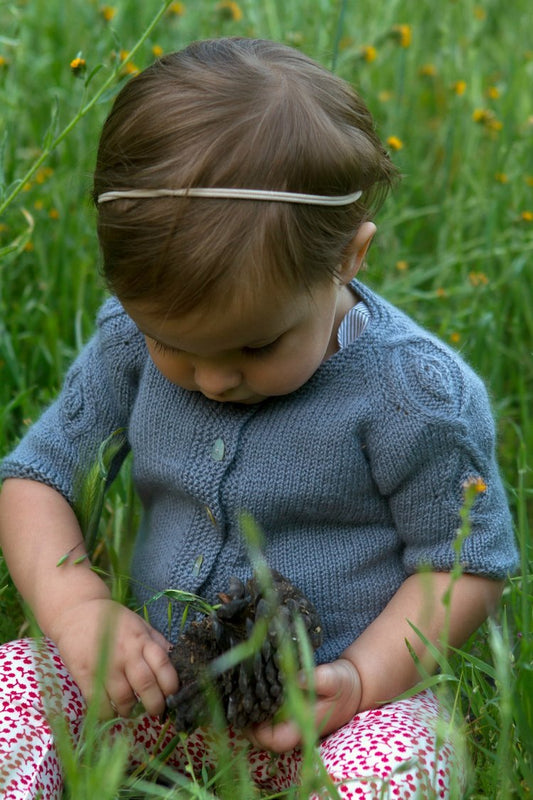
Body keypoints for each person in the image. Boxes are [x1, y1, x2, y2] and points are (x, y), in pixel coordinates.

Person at [0, 37, 518, 800]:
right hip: (150, 689)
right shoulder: (125, 341)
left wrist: (363, 678)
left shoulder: (416, 392)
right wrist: (79, 610)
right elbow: (33, 479)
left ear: (347, 257)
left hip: (330, 711)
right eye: (172, 344)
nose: (211, 379)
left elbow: (462, 567)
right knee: (15, 684)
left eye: (255, 344)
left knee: (398, 765)